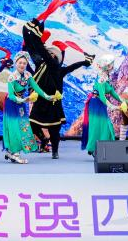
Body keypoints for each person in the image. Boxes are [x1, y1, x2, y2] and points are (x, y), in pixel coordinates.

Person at [22, 18, 92, 159]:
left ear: (57, 58)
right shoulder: (41, 64)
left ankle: (55, 151)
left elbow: (70, 66)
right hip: (42, 99)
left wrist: (84, 62)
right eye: (51, 53)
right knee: (33, 123)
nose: (51, 55)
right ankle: (43, 139)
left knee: (54, 129)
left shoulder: (56, 68)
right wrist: (30, 34)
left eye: (54, 55)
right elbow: (34, 50)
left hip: (53, 102)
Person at [2, 52, 58, 164]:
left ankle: (11, 151)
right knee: (14, 128)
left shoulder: (28, 75)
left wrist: (47, 96)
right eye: (20, 63)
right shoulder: (12, 77)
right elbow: (12, 95)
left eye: (24, 63)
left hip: (21, 104)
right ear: (15, 63)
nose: (22, 65)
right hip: (12, 104)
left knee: (23, 127)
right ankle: (15, 153)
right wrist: (23, 100)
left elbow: (37, 88)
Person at [81, 55, 126, 155]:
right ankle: (94, 148)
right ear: (107, 66)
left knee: (104, 126)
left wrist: (122, 101)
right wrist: (111, 106)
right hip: (96, 103)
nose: (113, 66)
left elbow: (111, 92)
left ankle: (98, 147)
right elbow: (101, 95)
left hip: (100, 103)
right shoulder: (101, 78)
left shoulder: (106, 76)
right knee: (98, 126)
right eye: (111, 64)